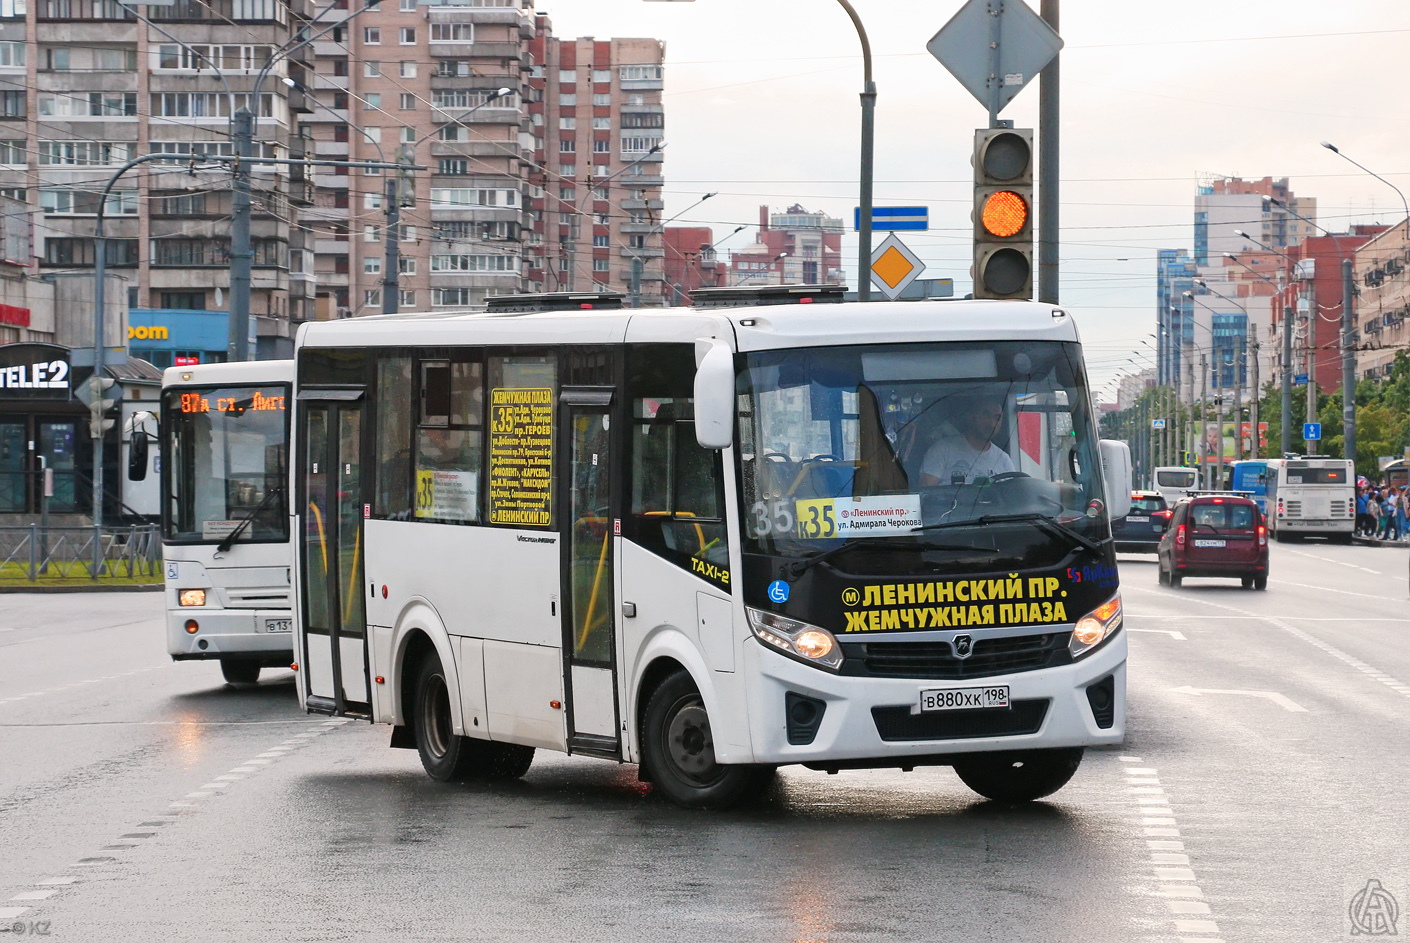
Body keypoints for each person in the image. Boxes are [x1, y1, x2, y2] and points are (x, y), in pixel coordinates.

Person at [919, 394, 1016, 486]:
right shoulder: (942, 449)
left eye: (997, 418)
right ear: (969, 417)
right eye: (985, 415)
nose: (992, 423)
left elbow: (1012, 498)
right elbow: (926, 493)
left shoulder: (1004, 460)